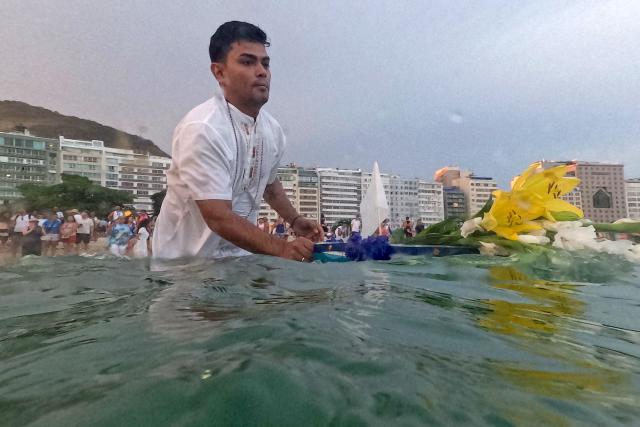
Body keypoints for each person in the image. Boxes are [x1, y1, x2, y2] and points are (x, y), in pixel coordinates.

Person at [152, 21, 322, 262]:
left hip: (239, 263)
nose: (261, 71)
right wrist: (284, 248)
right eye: (247, 62)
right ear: (219, 72)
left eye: (265, 63)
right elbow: (218, 216)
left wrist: (294, 220)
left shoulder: (272, 130)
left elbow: (269, 184)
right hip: (182, 268)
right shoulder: (203, 128)